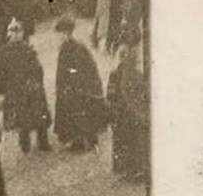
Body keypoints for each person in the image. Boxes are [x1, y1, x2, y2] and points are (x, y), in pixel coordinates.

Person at [0, 19, 52, 152]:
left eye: (18, 32)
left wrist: (38, 82)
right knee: (23, 118)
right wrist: (4, 89)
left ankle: (43, 142)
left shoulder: (27, 47)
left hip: (32, 87)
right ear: (9, 33)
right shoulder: (4, 51)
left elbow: (37, 67)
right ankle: (25, 144)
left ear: (22, 33)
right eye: (13, 32)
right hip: (17, 89)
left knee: (40, 113)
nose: (16, 35)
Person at [53, 16, 106, 151]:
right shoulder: (65, 47)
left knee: (81, 113)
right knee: (71, 111)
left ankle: (84, 142)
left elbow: (83, 68)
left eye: (60, 33)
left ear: (66, 32)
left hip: (80, 87)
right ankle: (75, 139)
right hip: (70, 86)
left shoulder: (77, 47)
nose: (58, 37)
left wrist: (72, 74)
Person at [108, 36, 149, 182]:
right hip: (125, 114)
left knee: (131, 142)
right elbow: (112, 95)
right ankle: (132, 170)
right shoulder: (121, 74)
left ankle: (132, 170)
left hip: (127, 114)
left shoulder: (134, 73)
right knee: (129, 142)